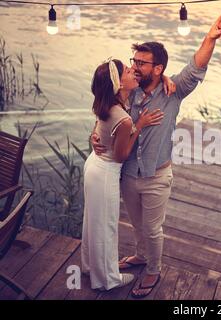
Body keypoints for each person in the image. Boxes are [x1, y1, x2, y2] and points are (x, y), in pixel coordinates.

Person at [92, 11, 221, 298]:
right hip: (129, 175)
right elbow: (105, 112)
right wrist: (94, 136)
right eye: (134, 62)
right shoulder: (127, 91)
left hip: (157, 176)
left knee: (153, 229)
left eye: (141, 63)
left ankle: (154, 271)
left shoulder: (173, 92)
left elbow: (195, 67)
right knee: (136, 224)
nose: (134, 68)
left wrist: (210, 38)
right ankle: (141, 256)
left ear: (158, 69)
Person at [82, 58, 175, 290]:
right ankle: (108, 279)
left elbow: (102, 128)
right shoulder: (124, 118)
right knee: (106, 226)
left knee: (92, 222)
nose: (133, 70)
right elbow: (122, 155)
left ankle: (90, 266)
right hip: (105, 173)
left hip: (95, 166)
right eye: (127, 70)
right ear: (118, 82)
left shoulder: (107, 101)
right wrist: (140, 124)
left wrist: (164, 76)